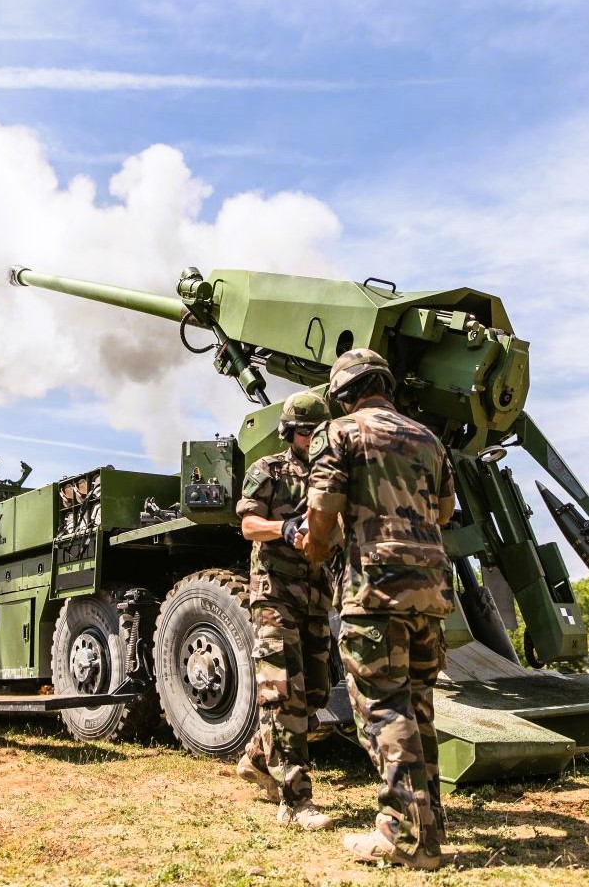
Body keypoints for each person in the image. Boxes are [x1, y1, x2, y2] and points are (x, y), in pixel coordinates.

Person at [295, 348, 455, 870]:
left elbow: (322, 508)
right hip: (430, 592)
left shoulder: (339, 433)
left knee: (384, 708)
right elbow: (447, 510)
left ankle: (407, 837)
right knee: (418, 705)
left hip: (376, 590)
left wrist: (319, 547)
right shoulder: (428, 438)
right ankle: (430, 821)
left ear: (342, 394)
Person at [234, 389, 337, 831]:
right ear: (289, 432)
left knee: (315, 695)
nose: (310, 439)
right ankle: (295, 802)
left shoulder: (332, 475)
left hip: (316, 597)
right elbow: (247, 524)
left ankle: (258, 758)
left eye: (317, 432)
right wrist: (285, 527)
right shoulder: (268, 470)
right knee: (282, 696)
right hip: (275, 595)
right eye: (303, 432)